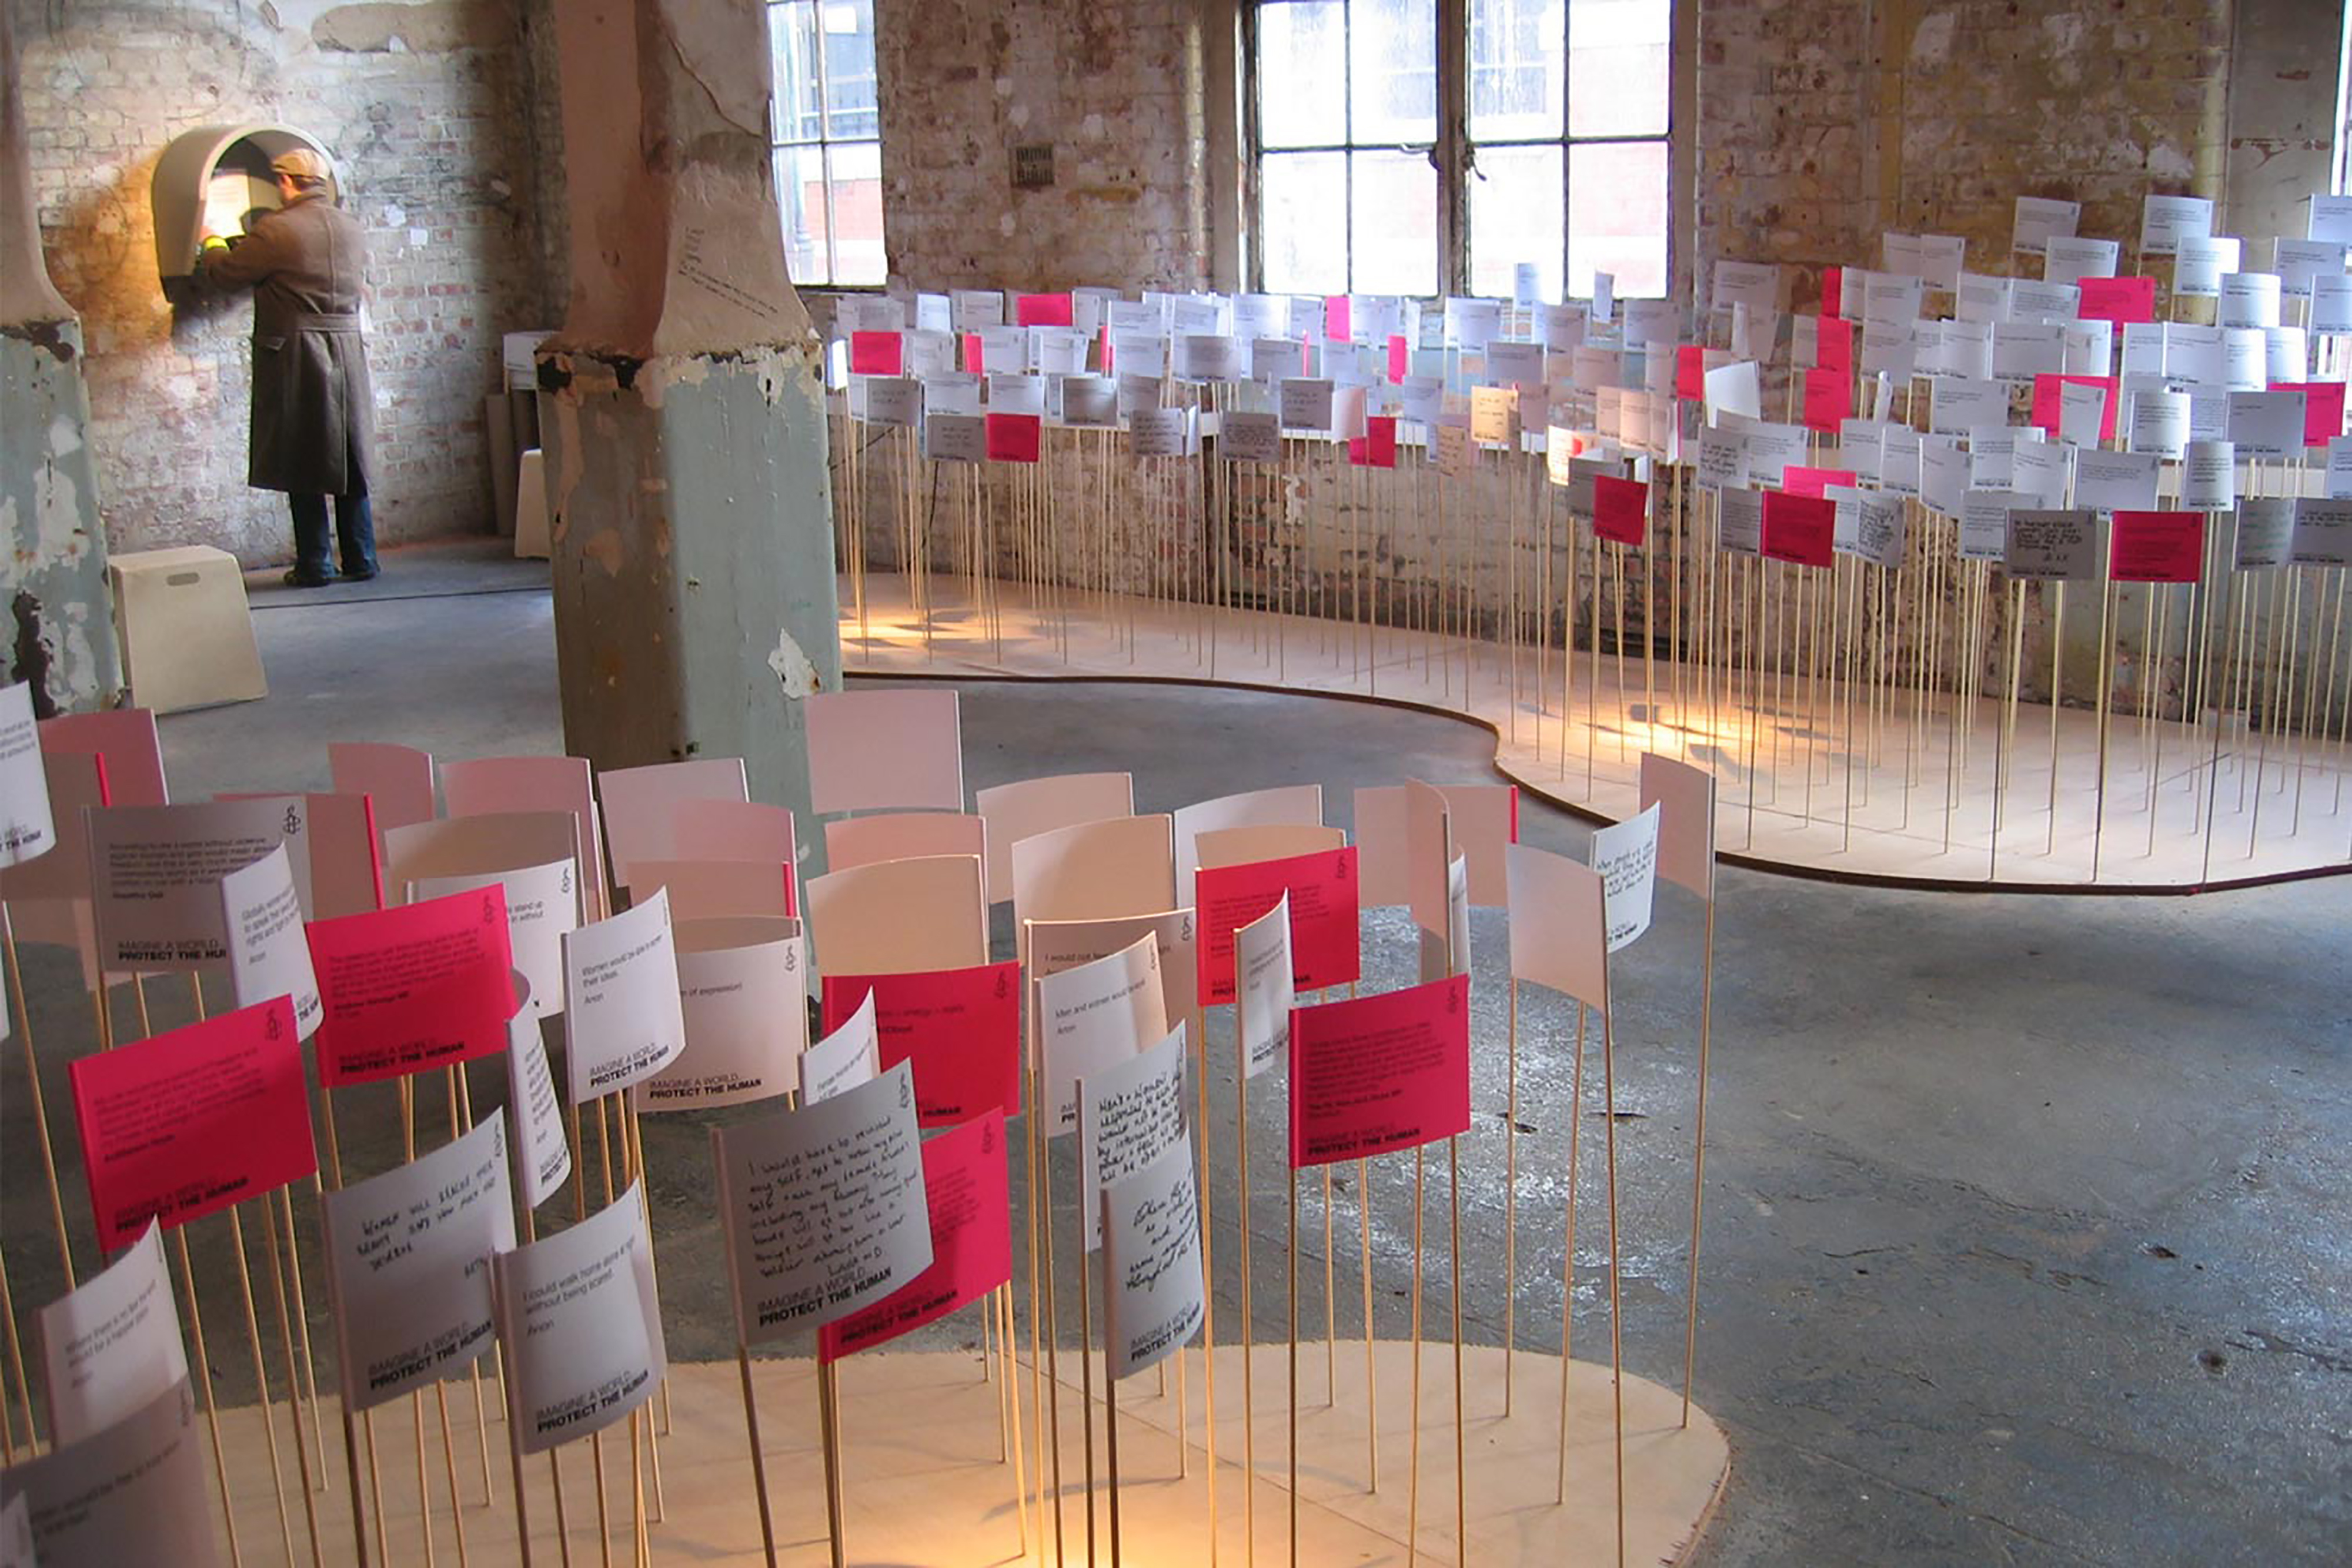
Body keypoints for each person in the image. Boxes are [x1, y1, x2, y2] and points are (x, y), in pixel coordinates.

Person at [197, 148, 379, 587]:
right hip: (347, 347)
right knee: (350, 456)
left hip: (299, 351)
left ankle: (315, 564)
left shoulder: (277, 230)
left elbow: (225, 275)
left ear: (286, 182)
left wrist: (211, 240)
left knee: (304, 455)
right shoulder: (350, 227)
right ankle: (361, 558)